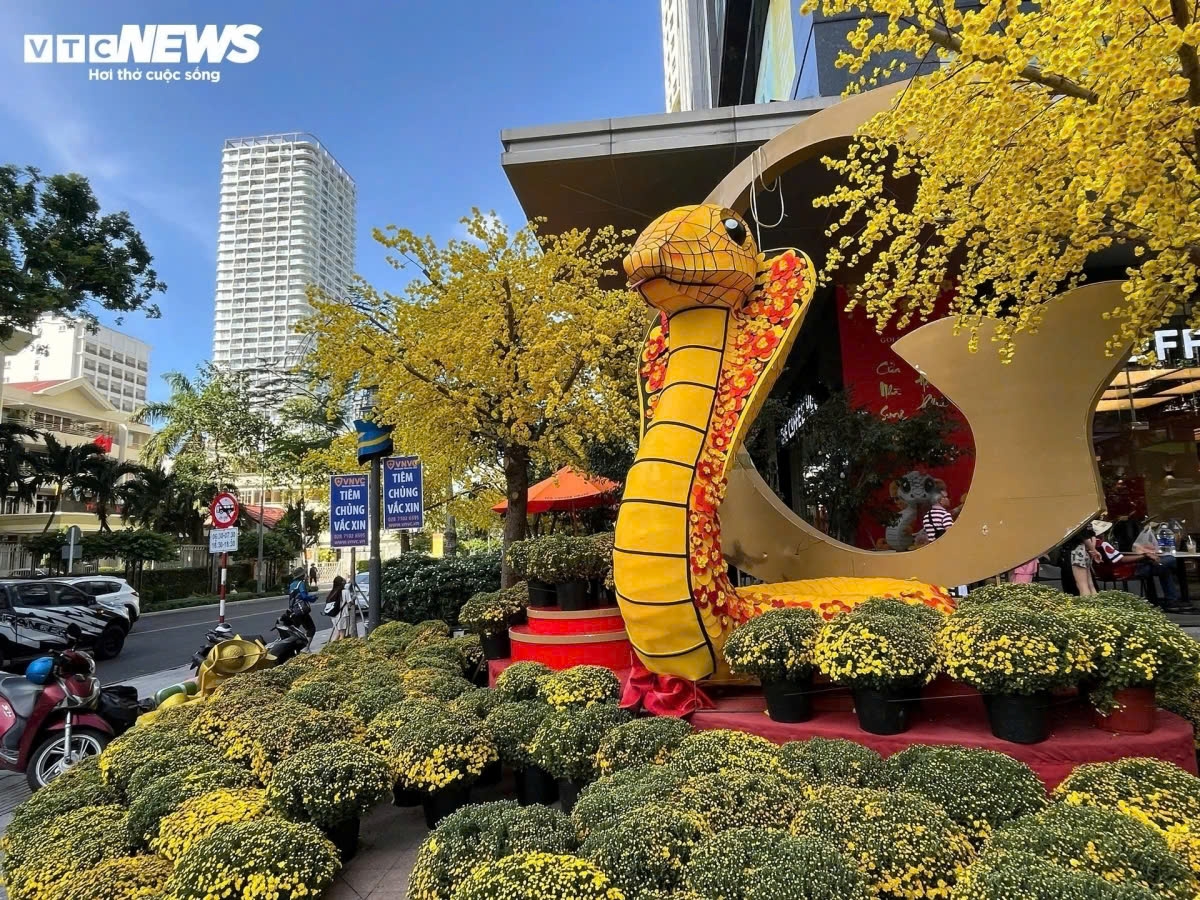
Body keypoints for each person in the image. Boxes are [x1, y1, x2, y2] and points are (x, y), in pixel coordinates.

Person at [1091, 518, 1186, 612]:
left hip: (1104, 572)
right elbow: (1121, 559)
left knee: (1163, 568)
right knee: (1169, 561)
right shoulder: (1103, 544)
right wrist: (1144, 556)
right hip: (1124, 571)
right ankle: (1172, 600)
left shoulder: (1091, 546)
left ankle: (1165, 600)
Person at [1060, 527, 1098, 596]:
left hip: (1075, 551)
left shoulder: (1073, 522)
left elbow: (1084, 536)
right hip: (1085, 551)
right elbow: (1091, 535)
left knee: (1082, 585)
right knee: (1090, 584)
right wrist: (1093, 549)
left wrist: (1093, 550)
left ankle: (1086, 605)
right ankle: (1096, 604)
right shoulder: (1086, 521)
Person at [287, 567, 318, 641]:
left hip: (294, 610)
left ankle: (291, 646)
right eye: (304, 574)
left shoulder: (292, 584)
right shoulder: (301, 583)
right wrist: (312, 598)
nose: (306, 575)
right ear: (302, 575)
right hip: (301, 610)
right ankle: (306, 648)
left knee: (294, 630)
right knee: (311, 628)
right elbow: (304, 596)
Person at [325, 575, 358, 641]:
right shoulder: (345, 591)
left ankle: (331, 647)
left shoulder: (332, 592)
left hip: (334, 615)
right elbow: (350, 603)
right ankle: (339, 648)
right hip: (342, 615)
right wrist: (354, 598)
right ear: (342, 583)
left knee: (338, 632)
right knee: (342, 634)